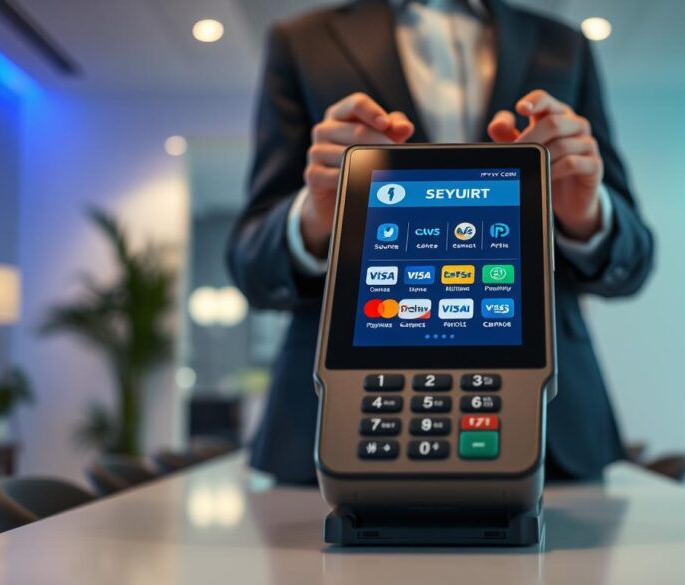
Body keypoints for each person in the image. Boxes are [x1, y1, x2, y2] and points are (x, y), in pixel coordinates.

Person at [227, 0, 654, 484]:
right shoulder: (301, 40)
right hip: (344, 419)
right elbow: (250, 262)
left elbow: (634, 261)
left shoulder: (565, 44)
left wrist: (586, 216)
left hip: (551, 428)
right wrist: (316, 214)